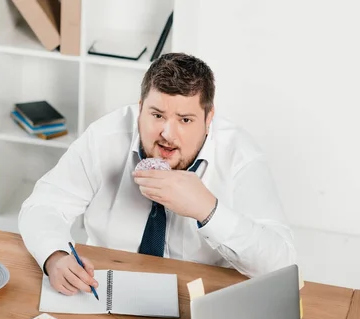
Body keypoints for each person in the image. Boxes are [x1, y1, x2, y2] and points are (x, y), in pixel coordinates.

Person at [18, 52, 296, 296]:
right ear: (140, 108)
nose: (167, 134)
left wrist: (208, 210)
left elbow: (281, 264)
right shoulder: (105, 137)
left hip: (200, 296)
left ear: (209, 118)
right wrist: (54, 256)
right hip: (103, 285)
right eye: (157, 115)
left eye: (185, 120)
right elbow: (42, 205)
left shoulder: (240, 156)